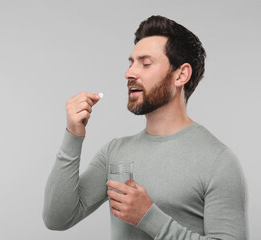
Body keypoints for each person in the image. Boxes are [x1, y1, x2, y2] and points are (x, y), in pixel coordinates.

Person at [43, 15, 247, 239]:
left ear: (181, 75)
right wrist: (73, 135)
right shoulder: (114, 153)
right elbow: (57, 219)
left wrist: (148, 217)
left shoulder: (218, 161)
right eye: (131, 63)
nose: (129, 73)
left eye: (145, 63)